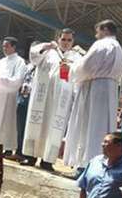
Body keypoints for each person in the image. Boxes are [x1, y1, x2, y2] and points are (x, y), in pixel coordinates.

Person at [63, 20, 122, 171]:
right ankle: (98, 163)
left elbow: (86, 67)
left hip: (95, 88)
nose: (96, 35)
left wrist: (70, 68)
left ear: (104, 30)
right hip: (110, 89)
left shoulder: (102, 44)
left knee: (90, 126)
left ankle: (85, 165)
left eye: (97, 31)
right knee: (102, 127)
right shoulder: (118, 48)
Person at [22, 29, 85, 170]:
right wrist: (46, 46)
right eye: (63, 39)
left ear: (73, 41)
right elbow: (33, 56)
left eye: (69, 40)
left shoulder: (77, 57)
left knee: (55, 128)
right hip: (42, 95)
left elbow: (80, 75)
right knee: (36, 124)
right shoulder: (49, 52)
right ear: (58, 39)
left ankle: (47, 161)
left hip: (61, 99)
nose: (66, 43)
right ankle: (30, 157)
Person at [0, 37, 27, 155]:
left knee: (6, 122)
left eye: (7, 46)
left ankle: (5, 148)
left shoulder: (20, 62)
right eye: (3, 46)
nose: (4, 48)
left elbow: (17, 81)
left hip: (9, 97)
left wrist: (1, 79)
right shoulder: (1, 61)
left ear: (14, 47)